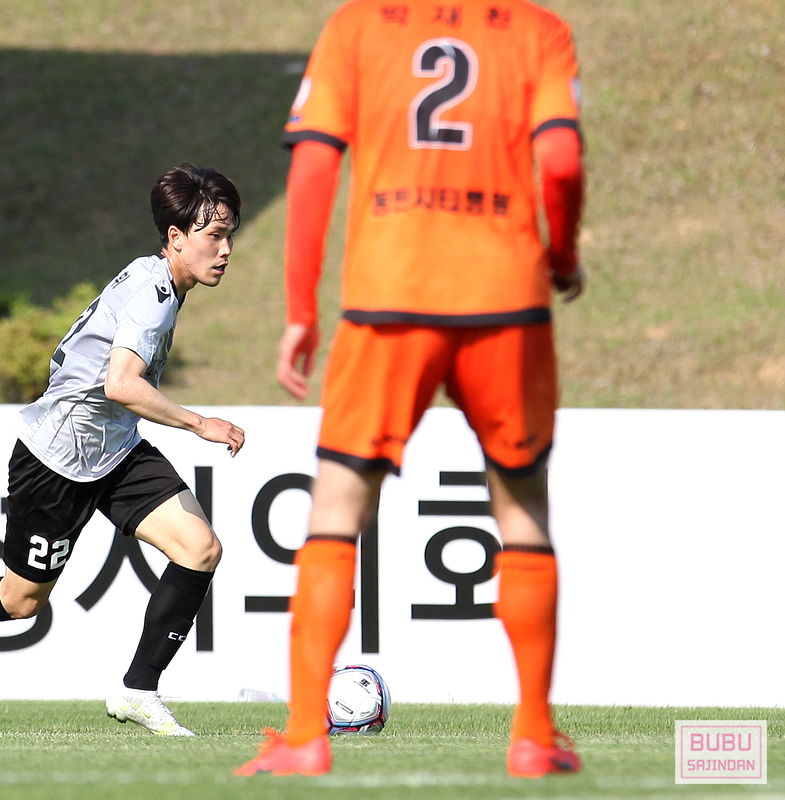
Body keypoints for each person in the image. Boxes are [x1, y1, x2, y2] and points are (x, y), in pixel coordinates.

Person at [236, 0, 586, 778]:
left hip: (388, 301)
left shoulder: (357, 26)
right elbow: (561, 163)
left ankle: (306, 735)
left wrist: (300, 311)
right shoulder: (539, 31)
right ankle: (533, 734)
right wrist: (561, 259)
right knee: (521, 509)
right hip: (506, 300)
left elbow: (314, 165)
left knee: (336, 509)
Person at [0, 163, 245, 736]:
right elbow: (121, 384)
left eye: (229, 235)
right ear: (176, 238)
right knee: (20, 602)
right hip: (56, 458)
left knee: (199, 549)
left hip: (115, 448)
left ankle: (138, 691)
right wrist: (199, 422)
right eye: (215, 235)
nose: (225, 250)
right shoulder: (153, 295)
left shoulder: (157, 278)